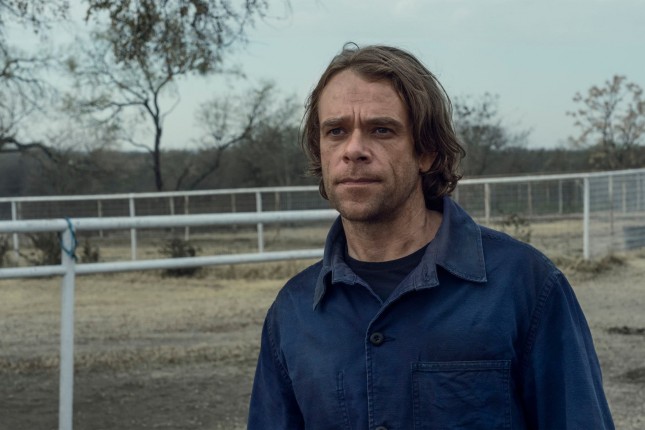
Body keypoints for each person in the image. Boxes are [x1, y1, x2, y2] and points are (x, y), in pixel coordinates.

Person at [247, 43, 614, 429]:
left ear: (427, 151)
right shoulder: (293, 312)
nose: (353, 150)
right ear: (319, 151)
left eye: (381, 129)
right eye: (336, 131)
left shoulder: (524, 286)